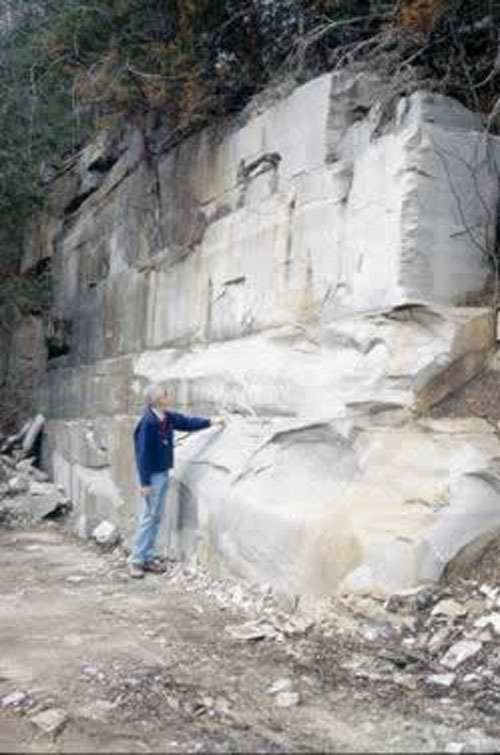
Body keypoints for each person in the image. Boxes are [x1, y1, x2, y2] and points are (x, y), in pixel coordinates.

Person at [129, 383, 225, 579]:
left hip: (163, 472)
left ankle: (147, 557)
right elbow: (143, 455)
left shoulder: (167, 417)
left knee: (156, 516)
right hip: (153, 476)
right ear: (157, 400)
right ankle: (136, 560)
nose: (168, 396)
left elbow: (187, 422)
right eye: (165, 395)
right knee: (149, 517)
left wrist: (211, 422)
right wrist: (145, 482)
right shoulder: (148, 423)